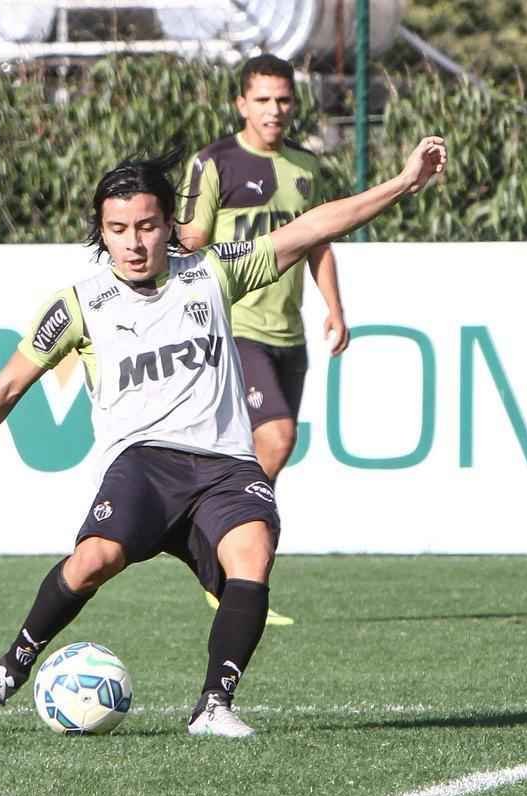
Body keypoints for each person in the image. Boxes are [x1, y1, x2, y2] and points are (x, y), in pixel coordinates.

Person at [0, 135, 446, 737]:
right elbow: (8, 386)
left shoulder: (213, 273)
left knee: (253, 554)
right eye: (117, 229)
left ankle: (213, 706)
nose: (134, 243)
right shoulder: (79, 304)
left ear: (170, 225)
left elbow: (309, 226)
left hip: (224, 465)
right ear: (101, 232)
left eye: (147, 226)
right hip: (144, 463)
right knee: (93, 561)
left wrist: (401, 184)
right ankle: (7, 672)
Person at [179, 55, 348, 625]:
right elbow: (192, 237)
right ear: (241, 104)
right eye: (264, 99)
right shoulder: (213, 163)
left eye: (284, 100)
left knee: (264, 450)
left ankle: (231, 559)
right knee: (276, 439)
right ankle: (221, 553)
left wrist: (334, 306)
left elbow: (319, 241)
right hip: (233, 328)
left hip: (287, 332)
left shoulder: (304, 167)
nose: (275, 110)